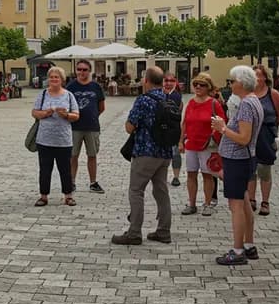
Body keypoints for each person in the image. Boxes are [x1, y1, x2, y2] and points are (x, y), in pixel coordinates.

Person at [113, 66, 174, 245]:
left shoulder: (143, 100)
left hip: (145, 152)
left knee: (136, 191)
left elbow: (130, 127)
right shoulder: (168, 99)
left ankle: (134, 233)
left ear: (146, 80)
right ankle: (164, 231)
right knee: (161, 191)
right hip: (164, 152)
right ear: (162, 81)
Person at [211, 65, 263, 265]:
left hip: (238, 158)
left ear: (241, 83)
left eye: (232, 81)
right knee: (244, 202)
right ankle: (248, 244)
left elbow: (244, 137)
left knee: (236, 206)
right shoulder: (253, 100)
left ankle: (238, 249)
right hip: (245, 158)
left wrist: (223, 128)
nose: (230, 85)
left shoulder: (247, 105)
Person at [32, 67, 80, 206]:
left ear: (62, 80)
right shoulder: (42, 94)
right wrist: (45, 113)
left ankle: (68, 195)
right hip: (44, 139)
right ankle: (43, 196)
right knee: (45, 169)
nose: (53, 79)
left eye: (56, 77)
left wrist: (65, 115)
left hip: (63, 140)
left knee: (65, 169)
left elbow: (76, 115)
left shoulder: (69, 95)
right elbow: (34, 112)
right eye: (51, 77)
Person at [178, 73, 223, 217]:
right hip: (191, 143)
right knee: (191, 174)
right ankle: (191, 204)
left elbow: (222, 123)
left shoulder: (213, 103)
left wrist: (217, 142)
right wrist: (180, 141)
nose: (198, 87)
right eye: (196, 84)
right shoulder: (190, 103)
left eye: (202, 85)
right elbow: (184, 123)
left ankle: (208, 203)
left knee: (207, 175)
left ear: (208, 87)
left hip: (207, 145)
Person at [251, 64, 279, 217]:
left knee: (264, 168)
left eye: (259, 75)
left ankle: (265, 201)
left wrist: (272, 127)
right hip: (250, 133)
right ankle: (251, 199)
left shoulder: (273, 94)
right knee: (250, 168)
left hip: (266, 133)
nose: (256, 78)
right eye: (253, 75)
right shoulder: (248, 93)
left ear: (265, 77)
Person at [66, 60, 106, 193]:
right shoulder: (71, 87)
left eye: (84, 70)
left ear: (90, 71)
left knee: (92, 155)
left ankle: (93, 183)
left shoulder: (96, 87)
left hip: (92, 127)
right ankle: (71, 182)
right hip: (74, 127)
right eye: (79, 69)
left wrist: (93, 116)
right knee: (73, 156)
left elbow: (101, 107)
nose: (81, 72)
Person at [163, 73, 186, 188]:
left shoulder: (176, 95)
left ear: (175, 82)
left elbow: (171, 109)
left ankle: (176, 176)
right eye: (166, 80)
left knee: (175, 153)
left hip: (174, 129)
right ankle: (162, 176)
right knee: (163, 154)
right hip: (163, 129)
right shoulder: (162, 94)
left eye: (171, 81)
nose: (168, 83)